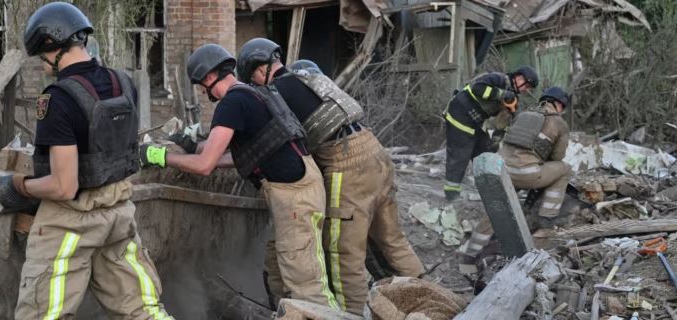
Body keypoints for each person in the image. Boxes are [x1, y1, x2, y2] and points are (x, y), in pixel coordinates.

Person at [0, 1, 173, 320]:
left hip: (71, 223)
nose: (42, 65)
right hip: (119, 214)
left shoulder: (58, 99)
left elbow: (64, 186)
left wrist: (18, 186)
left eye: (41, 57)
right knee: (143, 310)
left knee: (43, 313)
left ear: (50, 46)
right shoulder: (123, 83)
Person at [140, 43, 339, 310]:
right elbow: (241, 155)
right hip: (298, 190)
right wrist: (191, 146)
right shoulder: (252, 94)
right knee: (278, 270)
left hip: (295, 198)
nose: (201, 90)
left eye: (201, 84)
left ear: (209, 77)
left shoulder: (231, 103)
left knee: (307, 284)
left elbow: (204, 165)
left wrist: (160, 157)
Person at [237, 39, 423, 314]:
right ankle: (431, 302)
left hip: (345, 165)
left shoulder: (278, 92)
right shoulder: (308, 78)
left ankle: (351, 316)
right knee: (393, 241)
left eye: (251, 77)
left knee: (342, 258)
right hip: (375, 152)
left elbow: (264, 138)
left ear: (257, 68)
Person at [459, 86, 573, 262]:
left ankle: (469, 255)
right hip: (528, 174)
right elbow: (558, 156)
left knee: (493, 213)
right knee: (564, 168)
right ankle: (547, 218)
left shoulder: (524, 114)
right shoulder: (559, 122)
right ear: (559, 104)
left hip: (502, 172)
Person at [442, 66, 539, 201]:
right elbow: (477, 88)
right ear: (519, 77)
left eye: (529, 88)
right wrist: (501, 94)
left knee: (485, 154)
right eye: (526, 85)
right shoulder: (497, 79)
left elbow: (503, 124)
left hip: (476, 122)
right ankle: (451, 195)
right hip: (460, 113)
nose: (525, 90)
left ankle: (489, 192)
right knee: (460, 154)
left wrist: (496, 141)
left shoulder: (513, 101)